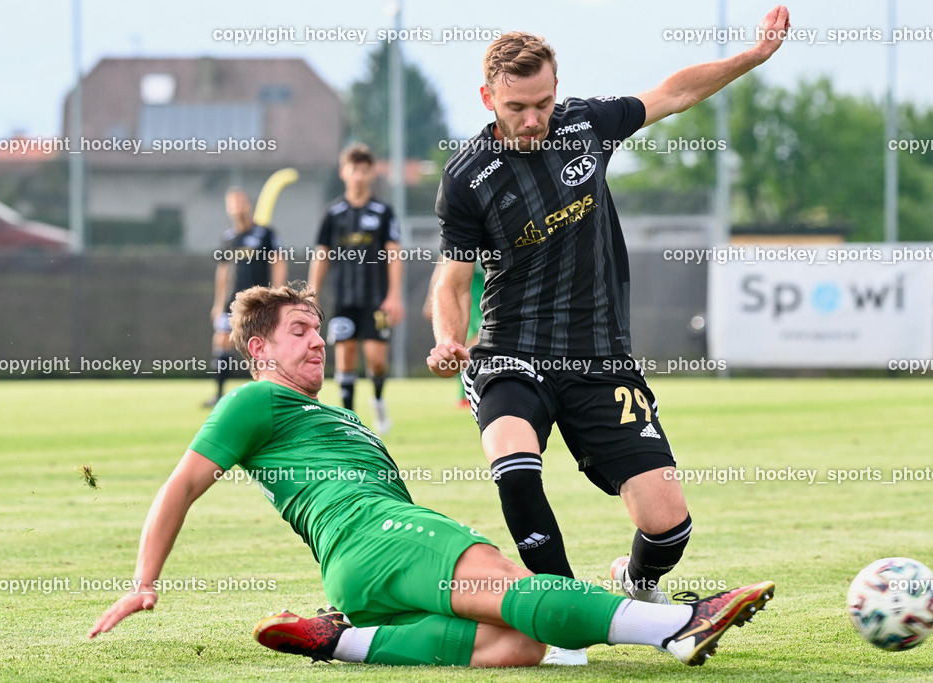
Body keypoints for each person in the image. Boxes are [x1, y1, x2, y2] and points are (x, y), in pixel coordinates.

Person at [88, 282, 775, 668]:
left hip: (358, 567)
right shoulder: (255, 400)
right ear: (259, 347)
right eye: (299, 329)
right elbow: (181, 483)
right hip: (381, 535)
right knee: (517, 592)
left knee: (521, 643)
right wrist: (143, 583)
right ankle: (678, 623)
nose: (318, 339)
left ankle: (342, 638)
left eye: (317, 327)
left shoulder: (323, 416)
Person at [428, 6, 790, 665]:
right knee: (514, 464)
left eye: (542, 102)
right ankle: (561, 617)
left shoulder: (587, 126)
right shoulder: (467, 177)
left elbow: (674, 92)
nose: (533, 119)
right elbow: (450, 283)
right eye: (517, 107)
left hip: (599, 358)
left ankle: (640, 582)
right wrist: (449, 338)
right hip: (512, 350)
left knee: (668, 520)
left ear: (557, 89)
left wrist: (750, 57)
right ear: (488, 98)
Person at [308, 143, 404, 434]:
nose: (359, 176)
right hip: (344, 300)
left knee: (376, 360)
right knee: (345, 356)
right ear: (343, 173)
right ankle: (350, 420)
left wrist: (394, 296)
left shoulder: (384, 212)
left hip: (377, 300)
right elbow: (321, 255)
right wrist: (311, 294)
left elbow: (394, 254)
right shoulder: (333, 213)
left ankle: (377, 401)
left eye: (364, 170)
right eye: (353, 170)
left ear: (372, 173)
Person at [207, 187, 287, 406]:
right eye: (232, 203)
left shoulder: (265, 233)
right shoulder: (228, 237)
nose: (237, 207)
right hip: (231, 303)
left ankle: (269, 391)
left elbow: (278, 261)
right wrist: (217, 303)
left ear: (248, 205)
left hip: (258, 302)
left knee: (262, 346)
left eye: (240, 202)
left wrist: (277, 294)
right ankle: (219, 393)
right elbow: (223, 272)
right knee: (222, 341)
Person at [424, 260, 485, 407]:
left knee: (479, 341)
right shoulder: (461, 242)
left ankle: (476, 390)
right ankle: (465, 393)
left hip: (488, 292)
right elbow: (443, 264)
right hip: (465, 292)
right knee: (459, 346)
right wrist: (431, 301)